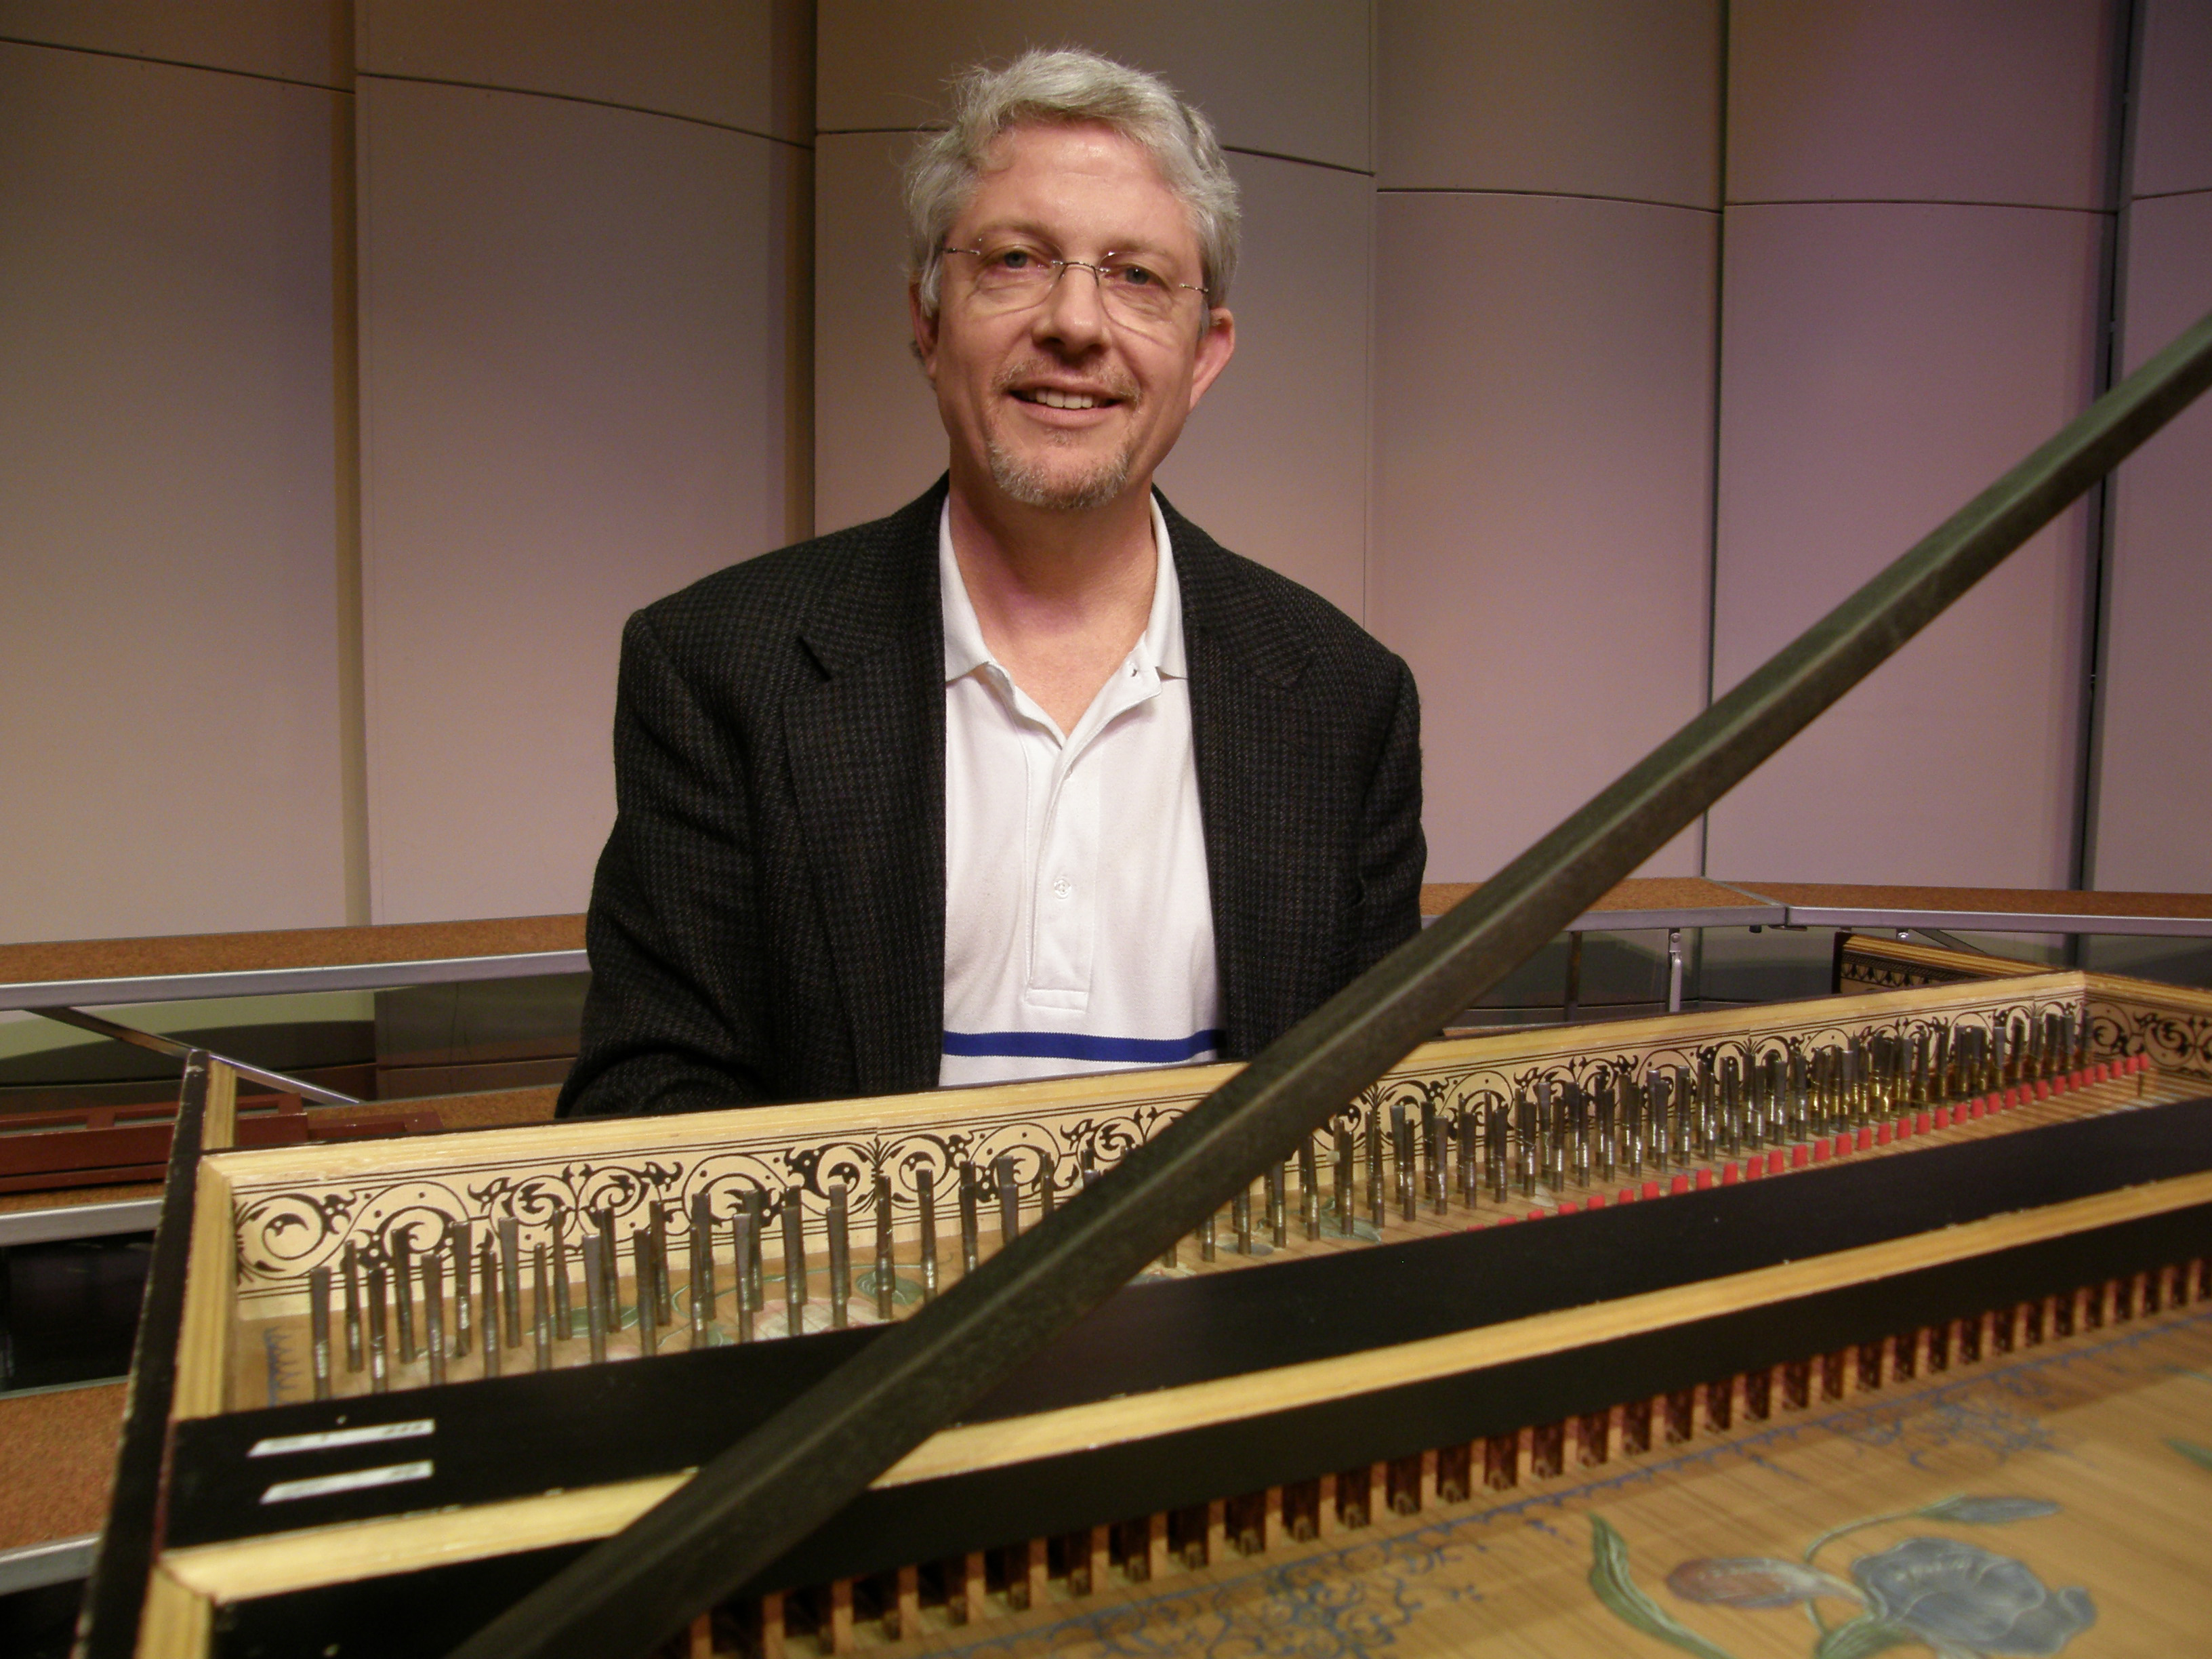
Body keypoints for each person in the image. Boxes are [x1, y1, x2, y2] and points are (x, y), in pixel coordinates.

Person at [558, 48, 1422, 1118]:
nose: (1075, 323)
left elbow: (1380, 1118)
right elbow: (646, 1105)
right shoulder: (717, 666)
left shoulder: (1344, 698)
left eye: (1138, 275)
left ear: (1204, 354)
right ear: (927, 321)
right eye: (1016, 260)